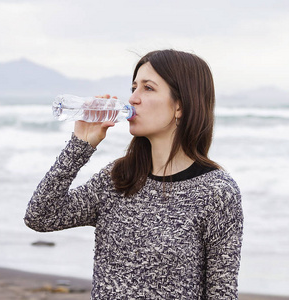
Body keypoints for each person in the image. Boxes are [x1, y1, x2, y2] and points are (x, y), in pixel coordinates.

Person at [24, 49, 243, 299]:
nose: (132, 99)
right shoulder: (118, 178)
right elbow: (40, 216)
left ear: (180, 106)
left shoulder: (216, 191)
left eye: (148, 88)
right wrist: (80, 145)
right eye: (133, 87)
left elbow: (221, 293)